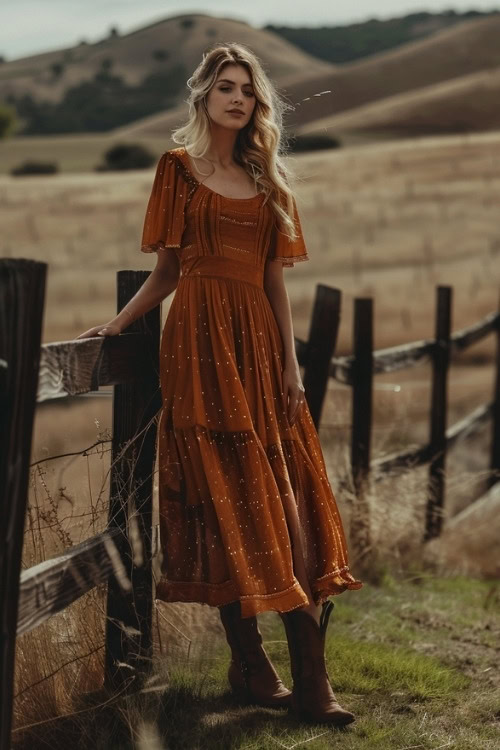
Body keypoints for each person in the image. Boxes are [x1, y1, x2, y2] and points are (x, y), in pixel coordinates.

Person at [77, 42, 363, 726]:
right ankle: (253, 663)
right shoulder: (177, 170)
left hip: (260, 347)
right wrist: (117, 325)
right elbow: (169, 272)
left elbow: (272, 279)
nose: (239, 99)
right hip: (199, 345)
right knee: (222, 497)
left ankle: (308, 673)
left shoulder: (269, 180)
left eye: (249, 91)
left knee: (281, 501)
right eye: (227, 87)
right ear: (203, 95)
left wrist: (291, 365)